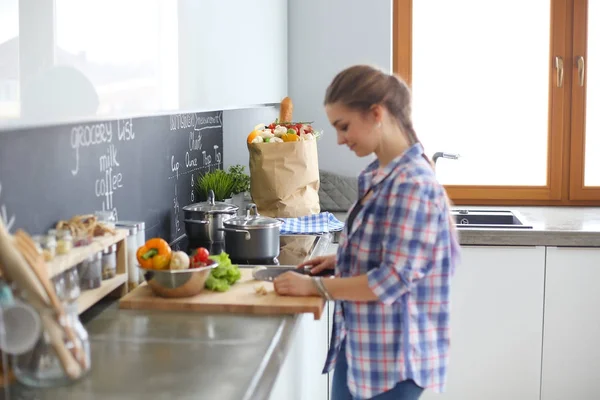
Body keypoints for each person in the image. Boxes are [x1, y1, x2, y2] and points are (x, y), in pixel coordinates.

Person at [273, 65, 461, 400]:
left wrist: (314, 287)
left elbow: (393, 278)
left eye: (344, 126)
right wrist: (342, 260)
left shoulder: (413, 184)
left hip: (391, 363)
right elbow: (384, 253)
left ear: (376, 113)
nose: (340, 139)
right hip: (362, 348)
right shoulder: (379, 173)